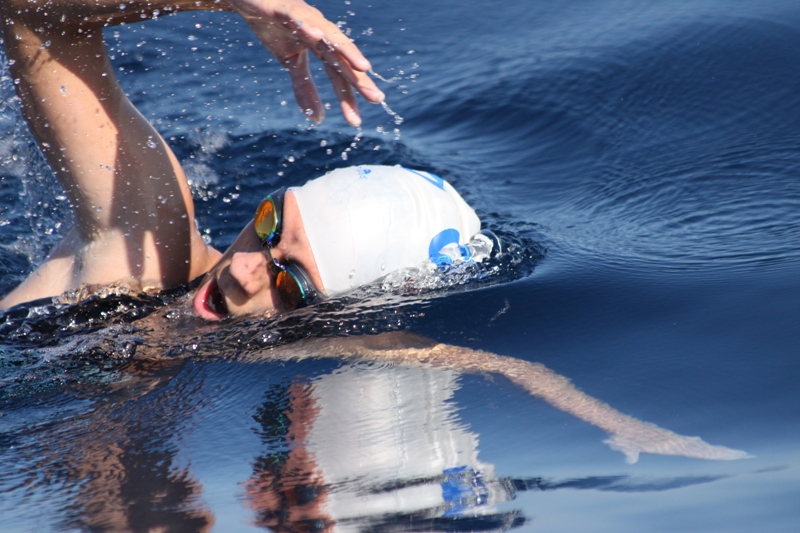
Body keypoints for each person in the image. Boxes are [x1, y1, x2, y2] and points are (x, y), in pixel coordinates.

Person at [0, 0, 748, 479]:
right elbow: (37, 17)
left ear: (333, 311)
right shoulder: (146, 238)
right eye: (268, 228)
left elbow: (487, 362)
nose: (246, 274)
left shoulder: (294, 341)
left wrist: (630, 427)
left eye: (290, 282)